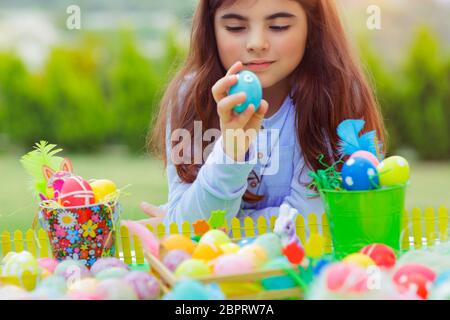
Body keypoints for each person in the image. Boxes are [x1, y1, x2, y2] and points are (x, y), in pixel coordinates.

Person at [140, 0, 386, 228]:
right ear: (211, 30)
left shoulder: (334, 97)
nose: (256, 43)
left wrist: (218, 226)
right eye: (235, 27)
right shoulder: (191, 98)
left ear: (312, 27)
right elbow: (188, 225)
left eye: (279, 26)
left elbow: (316, 223)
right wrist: (230, 152)